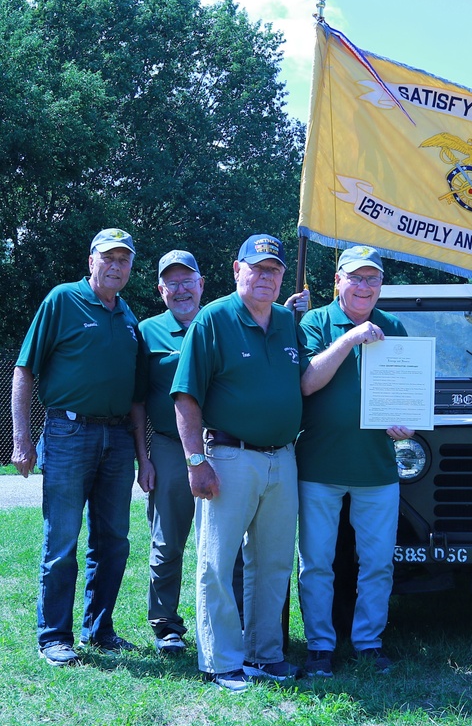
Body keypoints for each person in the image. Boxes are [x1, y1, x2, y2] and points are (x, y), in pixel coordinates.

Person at [171, 234, 306, 691]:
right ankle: (220, 661)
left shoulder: (289, 321)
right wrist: (195, 460)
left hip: (282, 459)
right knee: (217, 562)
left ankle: (264, 655)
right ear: (237, 269)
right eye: (257, 267)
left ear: (282, 276)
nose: (265, 276)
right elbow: (186, 396)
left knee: (272, 564)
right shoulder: (213, 319)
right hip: (228, 456)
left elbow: (304, 380)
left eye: (274, 269)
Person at [11, 228, 141, 666]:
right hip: (68, 433)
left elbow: (139, 394)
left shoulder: (128, 317)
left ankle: (100, 630)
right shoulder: (62, 300)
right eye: (109, 257)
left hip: (119, 437)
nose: (116, 266)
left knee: (114, 542)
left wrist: (142, 453)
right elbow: (24, 370)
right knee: (62, 540)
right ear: (91, 261)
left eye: (124, 260)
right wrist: (22, 439)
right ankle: (54, 636)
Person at [296, 245, 413, 677]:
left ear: (381, 284)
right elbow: (308, 383)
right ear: (338, 281)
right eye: (356, 278)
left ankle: (368, 642)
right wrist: (349, 337)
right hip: (320, 466)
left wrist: (408, 422)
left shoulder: (395, 326)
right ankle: (320, 647)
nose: (364, 286)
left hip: (376, 467)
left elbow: (406, 394)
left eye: (372, 279)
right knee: (316, 563)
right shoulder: (315, 322)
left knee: (378, 561)